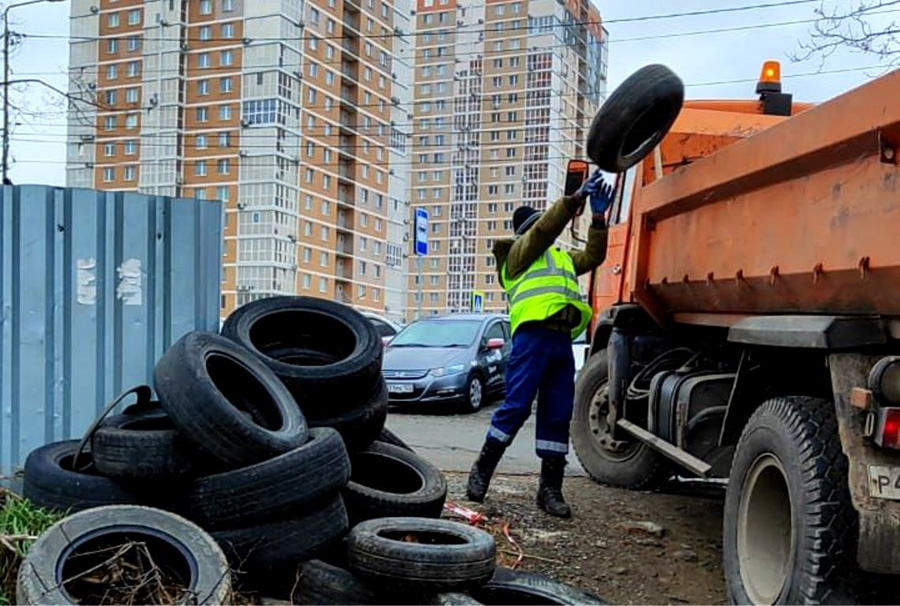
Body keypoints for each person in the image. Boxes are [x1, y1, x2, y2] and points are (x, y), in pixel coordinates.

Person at [466, 171, 614, 518]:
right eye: (537, 227)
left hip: (560, 340)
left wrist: (597, 218)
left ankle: (550, 490)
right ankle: (482, 470)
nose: (547, 232)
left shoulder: (561, 258)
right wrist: (574, 200)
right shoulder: (516, 256)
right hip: (531, 339)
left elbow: (593, 256)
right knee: (515, 407)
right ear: (526, 233)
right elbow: (545, 229)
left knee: (557, 413)